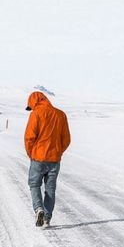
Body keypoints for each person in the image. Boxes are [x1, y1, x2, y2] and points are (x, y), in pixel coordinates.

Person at [24, 91, 71, 229]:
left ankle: (39, 209)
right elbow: (66, 139)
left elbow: (29, 138)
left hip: (38, 158)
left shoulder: (36, 114)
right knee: (50, 189)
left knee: (34, 185)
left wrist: (31, 154)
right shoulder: (60, 114)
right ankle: (47, 218)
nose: (31, 109)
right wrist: (57, 152)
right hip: (54, 160)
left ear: (34, 102)